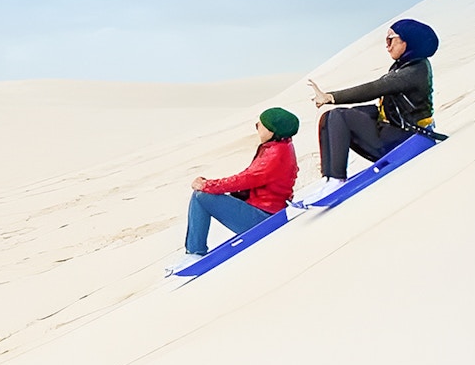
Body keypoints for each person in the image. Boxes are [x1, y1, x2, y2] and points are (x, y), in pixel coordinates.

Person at [305, 18, 439, 202]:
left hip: (406, 137)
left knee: (338, 116)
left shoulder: (415, 71)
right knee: (330, 118)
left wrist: (331, 97)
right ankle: (329, 179)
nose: (387, 46)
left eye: (390, 39)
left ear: (408, 41)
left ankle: (336, 180)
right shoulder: (405, 65)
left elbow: (376, 88)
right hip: (395, 131)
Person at [167, 108, 300, 273]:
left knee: (201, 196)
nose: (257, 125)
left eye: (262, 124)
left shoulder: (276, 154)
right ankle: (193, 251)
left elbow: (246, 179)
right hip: (267, 211)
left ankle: (194, 252)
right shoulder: (280, 146)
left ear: (273, 131)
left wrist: (207, 185)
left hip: (264, 218)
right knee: (203, 195)